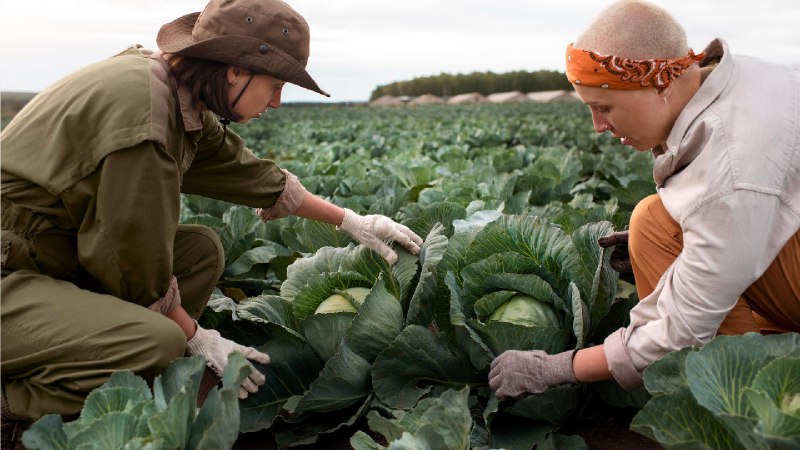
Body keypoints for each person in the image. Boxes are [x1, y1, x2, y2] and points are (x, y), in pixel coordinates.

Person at [0, 0, 423, 427]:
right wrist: (196, 336)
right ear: (236, 69)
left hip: (48, 254)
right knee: (157, 340)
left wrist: (353, 222)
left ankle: (121, 375)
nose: (276, 102)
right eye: (275, 85)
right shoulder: (144, 114)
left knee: (199, 251)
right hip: (10, 269)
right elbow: (132, 262)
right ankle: (19, 411)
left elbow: (251, 175)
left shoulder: (171, 92)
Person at [489, 0, 799, 398]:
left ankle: (754, 395)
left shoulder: (731, 168)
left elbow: (683, 327)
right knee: (652, 221)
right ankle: (764, 355)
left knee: (662, 240)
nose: (598, 126)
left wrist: (559, 367)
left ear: (660, 85)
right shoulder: (742, 82)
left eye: (603, 107)